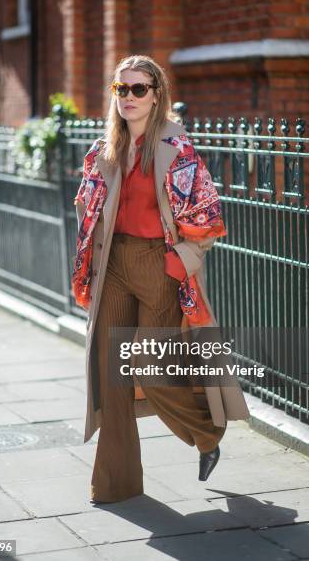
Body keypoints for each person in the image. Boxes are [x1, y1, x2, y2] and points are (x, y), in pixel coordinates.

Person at [71, 54, 250, 504]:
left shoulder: (177, 148)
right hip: (113, 265)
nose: (128, 98)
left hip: (158, 266)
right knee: (111, 378)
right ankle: (115, 485)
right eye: (121, 89)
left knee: (151, 370)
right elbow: (86, 208)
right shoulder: (103, 149)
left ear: (156, 95)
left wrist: (177, 263)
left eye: (138, 89)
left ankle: (207, 436)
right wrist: (92, 257)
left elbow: (207, 216)